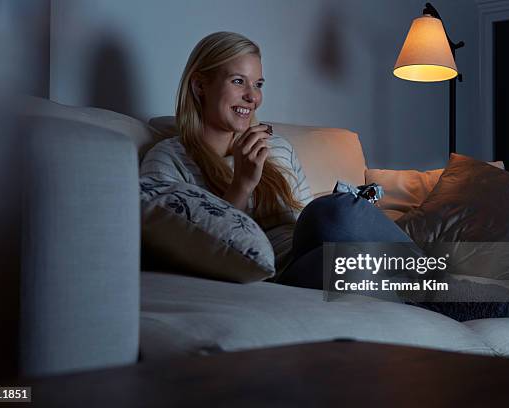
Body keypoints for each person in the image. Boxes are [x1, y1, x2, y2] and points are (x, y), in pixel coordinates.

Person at [139, 31, 418, 288]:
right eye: (238, 81)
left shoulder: (278, 147)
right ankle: (444, 283)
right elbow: (191, 251)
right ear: (200, 85)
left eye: (257, 84)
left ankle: (443, 290)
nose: (252, 97)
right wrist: (242, 185)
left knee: (340, 224)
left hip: (313, 253)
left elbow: (310, 224)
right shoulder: (168, 159)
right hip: (282, 272)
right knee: (335, 216)